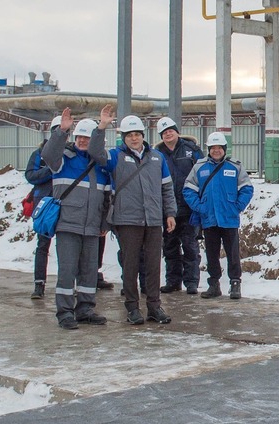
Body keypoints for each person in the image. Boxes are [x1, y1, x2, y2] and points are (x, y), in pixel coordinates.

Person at [41, 106, 113, 329]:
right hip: (68, 226)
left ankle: (85, 309)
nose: (83, 141)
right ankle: (64, 312)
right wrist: (61, 131)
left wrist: (103, 224)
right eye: (80, 137)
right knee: (67, 271)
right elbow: (48, 154)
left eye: (88, 138)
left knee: (90, 271)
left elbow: (106, 200)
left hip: (92, 228)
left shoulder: (102, 167)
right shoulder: (63, 159)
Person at [104, 114, 178, 325]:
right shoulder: (115, 156)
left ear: (143, 136)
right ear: (123, 137)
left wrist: (170, 213)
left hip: (153, 219)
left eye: (137, 135)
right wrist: (102, 127)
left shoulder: (157, 158)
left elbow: (167, 188)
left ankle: (154, 306)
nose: (134, 139)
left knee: (154, 264)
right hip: (128, 220)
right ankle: (132, 308)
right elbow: (95, 155)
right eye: (130, 135)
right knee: (130, 264)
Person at [183, 132, 254, 300]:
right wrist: (199, 207)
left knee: (233, 253)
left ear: (224, 149)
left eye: (219, 148)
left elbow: (247, 188)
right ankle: (213, 285)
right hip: (209, 219)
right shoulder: (199, 167)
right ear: (208, 149)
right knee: (212, 254)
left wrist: (237, 206)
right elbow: (188, 189)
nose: (216, 151)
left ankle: (235, 283)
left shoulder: (234, 167)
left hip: (229, 219)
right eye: (213, 148)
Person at [154, 117, 203, 294]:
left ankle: (191, 282)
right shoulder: (157, 153)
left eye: (171, 130)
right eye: (164, 132)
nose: (168, 134)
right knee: (170, 246)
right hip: (167, 210)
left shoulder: (192, 150)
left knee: (190, 246)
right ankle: (173, 281)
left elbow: (203, 175)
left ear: (176, 131)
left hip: (189, 209)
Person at [24, 115, 62, 299]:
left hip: (65, 203)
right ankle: (39, 284)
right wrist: (50, 170)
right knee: (43, 246)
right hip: (46, 206)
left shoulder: (70, 152)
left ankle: (70, 283)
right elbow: (31, 176)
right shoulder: (39, 153)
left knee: (68, 247)